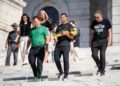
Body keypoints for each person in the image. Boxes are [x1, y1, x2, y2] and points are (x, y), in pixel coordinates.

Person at [26, 16, 49, 81]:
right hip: (33, 48)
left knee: (39, 63)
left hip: (41, 48)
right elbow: (29, 40)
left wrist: (46, 47)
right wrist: (26, 49)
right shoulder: (31, 30)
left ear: (39, 21)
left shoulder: (44, 28)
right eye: (34, 21)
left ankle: (38, 77)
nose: (35, 23)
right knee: (31, 62)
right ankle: (36, 74)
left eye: (36, 21)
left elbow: (47, 38)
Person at [90, 10, 112, 76]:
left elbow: (109, 31)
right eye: (95, 17)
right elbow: (92, 33)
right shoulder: (94, 22)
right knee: (94, 55)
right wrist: (90, 41)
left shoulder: (106, 21)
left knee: (102, 55)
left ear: (101, 16)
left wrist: (109, 40)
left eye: (98, 17)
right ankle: (100, 67)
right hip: (95, 41)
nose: (96, 19)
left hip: (103, 41)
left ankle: (102, 70)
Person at [54, 13, 75, 81]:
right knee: (56, 59)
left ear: (66, 18)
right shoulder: (58, 27)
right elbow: (56, 36)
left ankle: (66, 75)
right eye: (61, 17)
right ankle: (61, 72)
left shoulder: (70, 26)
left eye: (63, 17)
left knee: (66, 60)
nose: (62, 19)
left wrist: (66, 34)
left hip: (66, 44)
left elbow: (72, 37)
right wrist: (55, 38)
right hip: (58, 45)